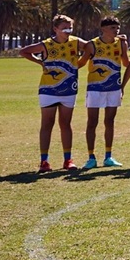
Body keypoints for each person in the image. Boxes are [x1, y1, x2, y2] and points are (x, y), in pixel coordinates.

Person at [23, 14, 88, 172]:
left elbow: (92, 47)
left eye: (69, 28)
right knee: (47, 124)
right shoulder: (46, 44)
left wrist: (81, 62)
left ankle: (68, 160)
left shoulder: (75, 42)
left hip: (69, 89)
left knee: (65, 124)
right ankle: (44, 161)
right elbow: (24, 51)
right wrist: (40, 62)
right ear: (55, 29)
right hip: (48, 90)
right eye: (64, 28)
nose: (67, 31)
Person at [82, 15, 130, 169]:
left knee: (109, 122)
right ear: (103, 29)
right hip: (95, 88)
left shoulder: (121, 43)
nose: (116, 30)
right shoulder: (92, 45)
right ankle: (91, 157)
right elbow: (80, 63)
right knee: (92, 122)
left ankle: (108, 157)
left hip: (113, 88)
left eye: (117, 28)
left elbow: (126, 63)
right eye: (112, 28)